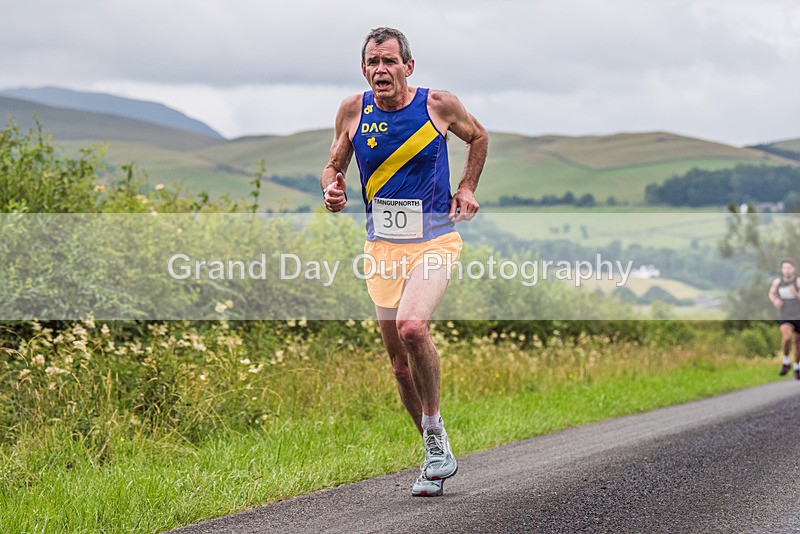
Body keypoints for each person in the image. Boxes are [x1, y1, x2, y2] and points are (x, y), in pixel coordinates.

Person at [320, 27, 488, 496]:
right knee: (398, 365)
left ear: (408, 67)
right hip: (383, 248)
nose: (381, 70)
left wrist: (467, 187)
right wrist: (332, 188)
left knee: (413, 327)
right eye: (373, 62)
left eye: (390, 61)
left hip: (435, 240)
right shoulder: (353, 111)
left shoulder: (438, 105)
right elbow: (333, 166)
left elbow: (478, 137)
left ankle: (434, 432)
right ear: (364, 69)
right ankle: (435, 453)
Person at [768, 259, 800, 379]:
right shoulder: (777, 282)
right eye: (784, 268)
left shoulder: (798, 282)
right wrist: (775, 300)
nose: (787, 270)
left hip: (798, 316)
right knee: (787, 337)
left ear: (793, 269)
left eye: (789, 268)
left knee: (797, 344)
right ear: (782, 270)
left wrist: (796, 294)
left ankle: (797, 367)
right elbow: (771, 293)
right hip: (785, 316)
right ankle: (786, 362)